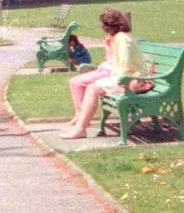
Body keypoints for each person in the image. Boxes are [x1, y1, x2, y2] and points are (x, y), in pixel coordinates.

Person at [61, 8, 151, 140]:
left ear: (109, 26)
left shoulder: (122, 39)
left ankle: (80, 129)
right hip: (130, 78)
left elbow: (125, 66)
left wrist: (113, 80)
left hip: (133, 82)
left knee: (92, 88)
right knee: (92, 87)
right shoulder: (121, 37)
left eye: (104, 26)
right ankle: (80, 127)